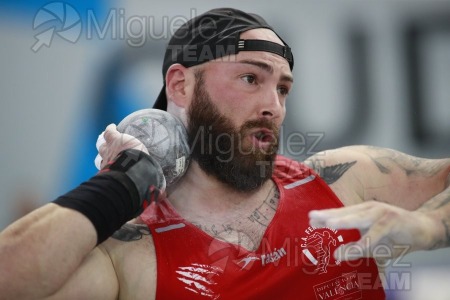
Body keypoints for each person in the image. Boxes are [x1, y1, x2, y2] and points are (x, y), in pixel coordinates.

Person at [0, 7, 449, 300]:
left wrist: (431, 223)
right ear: (180, 85)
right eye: (251, 79)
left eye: (283, 88)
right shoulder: (132, 253)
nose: (274, 105)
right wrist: (123, 183)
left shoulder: (343, 181)